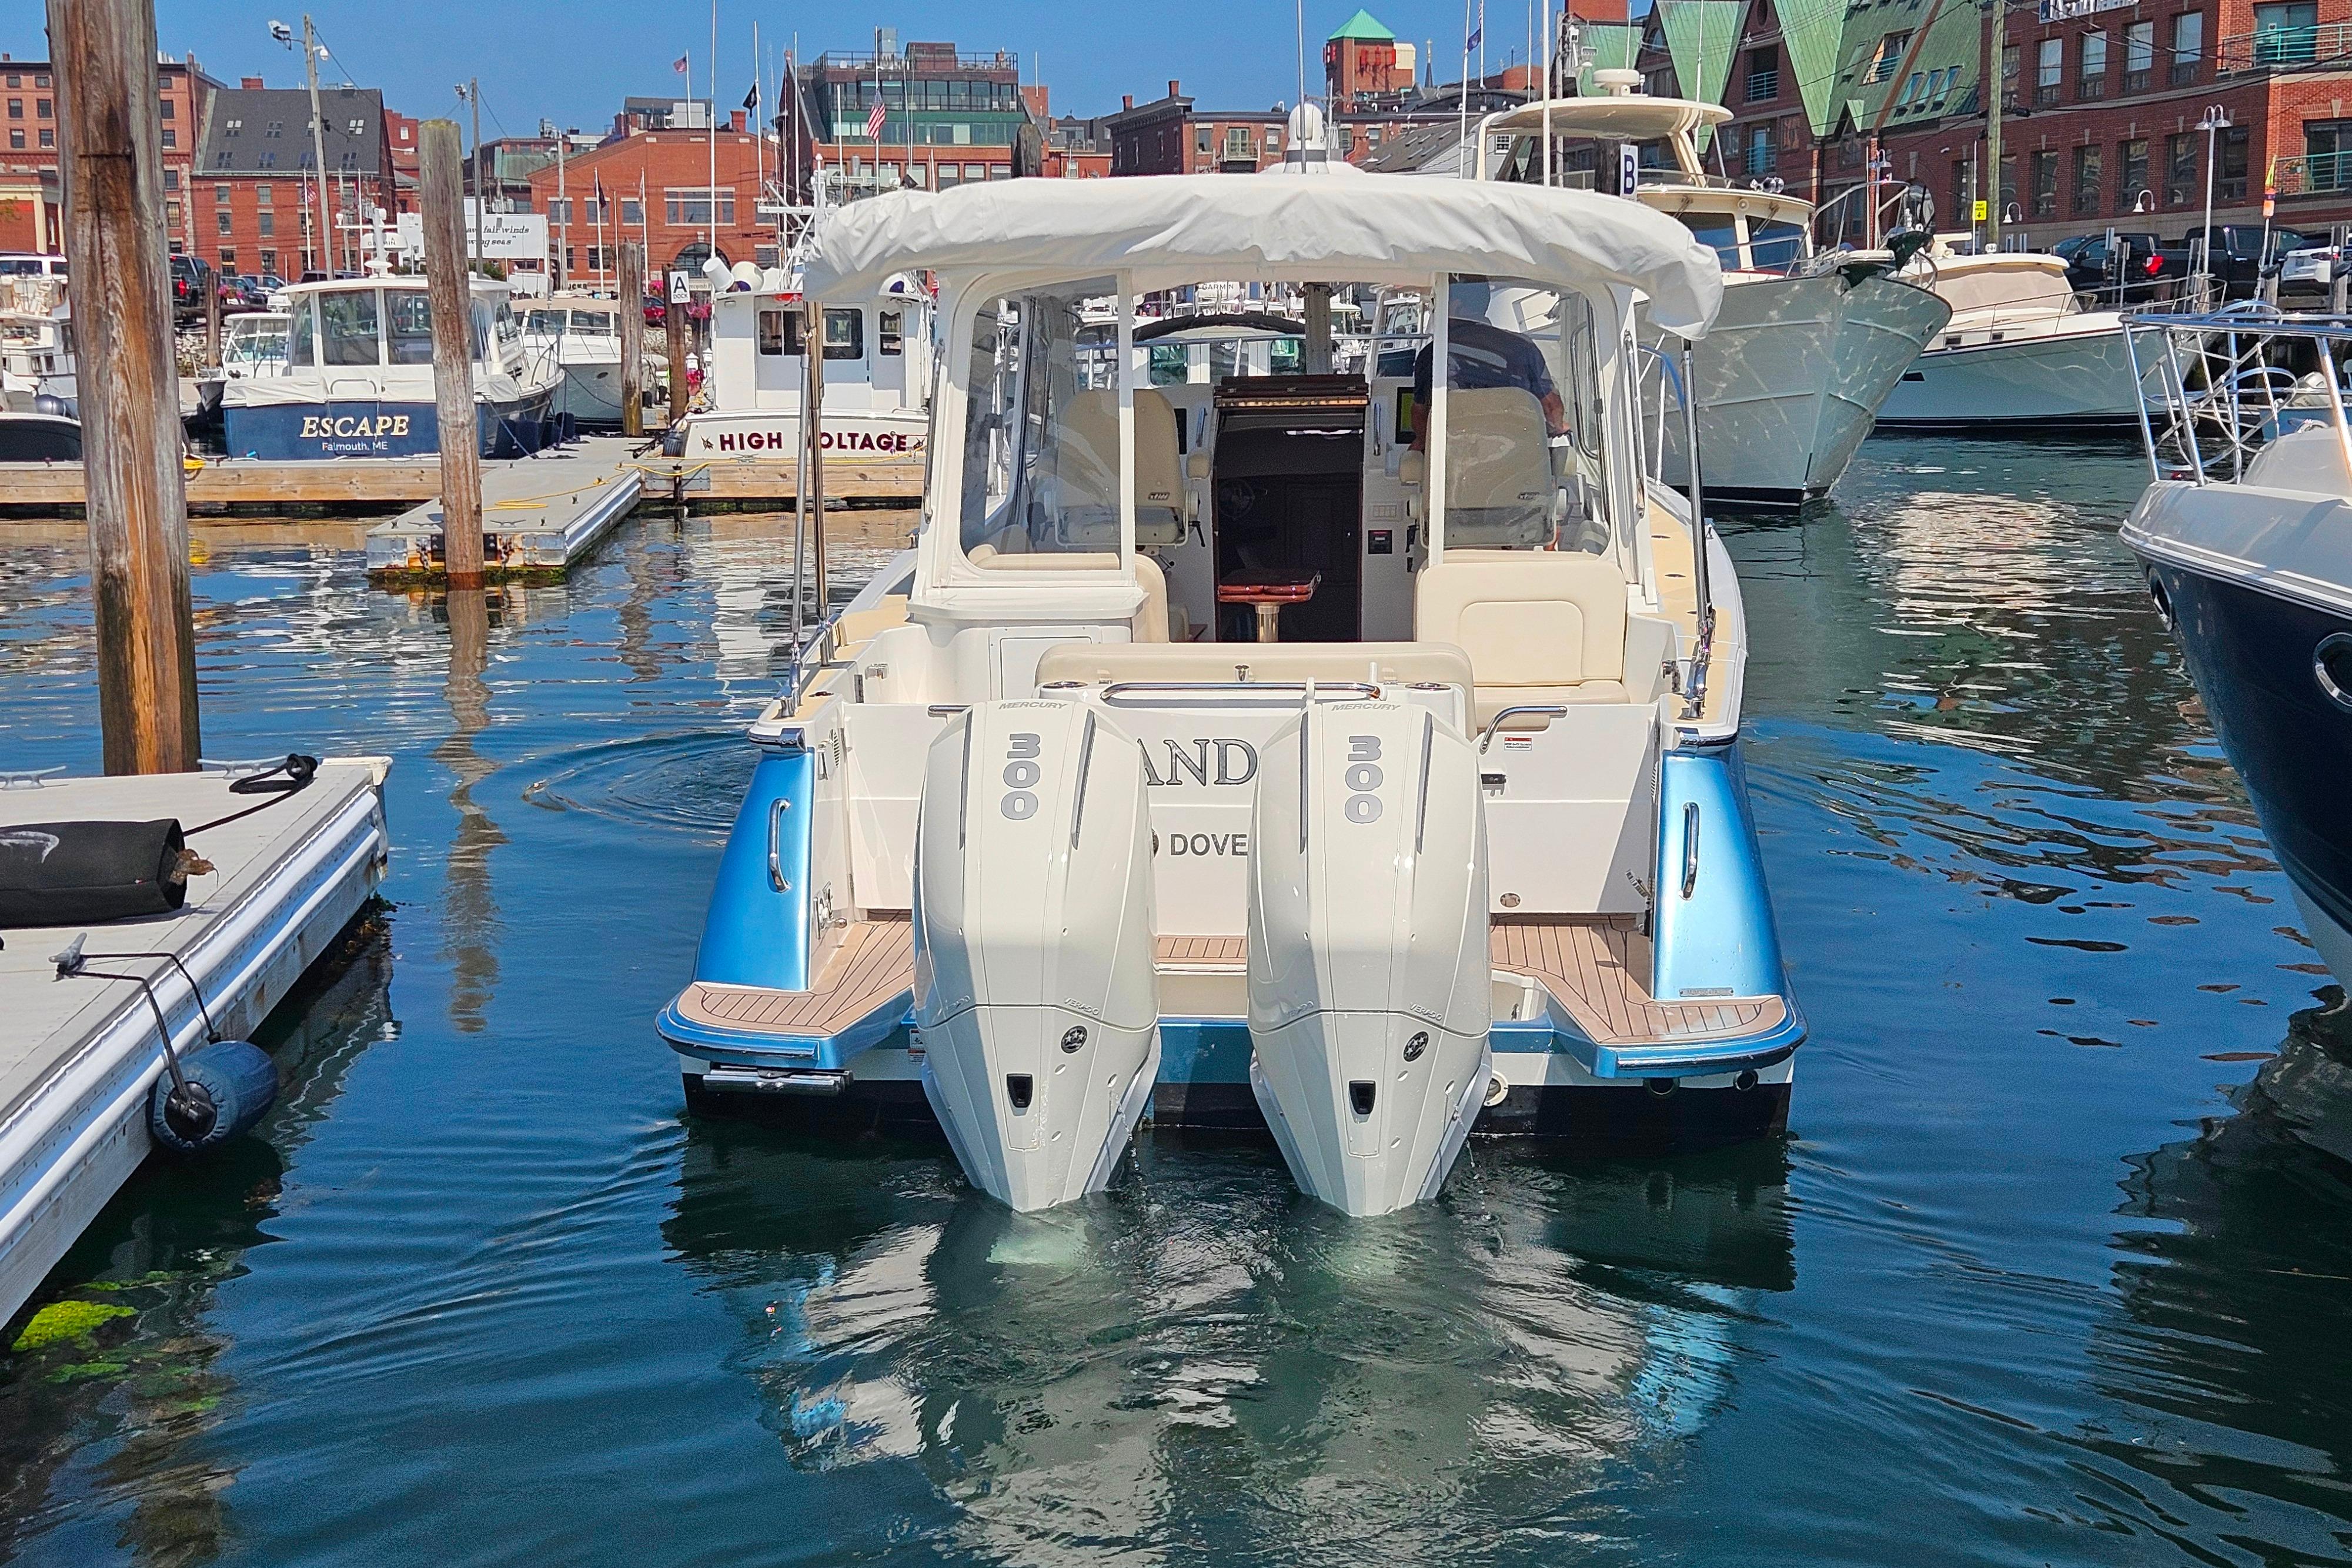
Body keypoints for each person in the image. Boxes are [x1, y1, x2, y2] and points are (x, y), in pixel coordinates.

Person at [1409, 315, 1567, 449]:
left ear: (1456, 306)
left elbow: (1420, 415)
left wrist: (1424, 443)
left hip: (1457, 462)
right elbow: (1551, 407)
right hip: (1517, 459)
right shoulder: (1524, 347)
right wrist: (1558, 427)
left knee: (1413, 455)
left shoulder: (1432, 353)